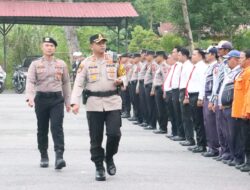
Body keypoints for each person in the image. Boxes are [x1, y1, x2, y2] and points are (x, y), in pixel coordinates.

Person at [71, 34, 126, 181]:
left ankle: (109, 157)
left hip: (113, 101)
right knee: (96, 138)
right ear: (91, 46)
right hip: (94, 104)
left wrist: (121, 80)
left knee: (115, 134)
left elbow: (125, 75)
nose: (102, 45)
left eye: (104, 42)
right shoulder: (86, 63)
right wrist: (74, 102)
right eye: (99, 43)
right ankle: (99, 167)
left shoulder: (114, 59)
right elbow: (78, 83)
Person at [25, 37, 71, 170]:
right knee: (42, 129)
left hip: (57, 99)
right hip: (41, 99)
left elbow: (66, 82)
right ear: (42, 47)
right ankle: (44, 155)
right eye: (47, 45)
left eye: (51, 45)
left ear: (55, 48)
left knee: (57, 127)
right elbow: (31, 81)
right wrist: (30, 97)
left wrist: (68, 102)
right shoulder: (35, 64)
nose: (49, 47)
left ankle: (59, 156)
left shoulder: (61, 64)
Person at [232, 50, 250, 172]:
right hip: (240, 111)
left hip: (246, 112)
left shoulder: (248, 73)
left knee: (247, 138)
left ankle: (248, 162)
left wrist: (246, 111)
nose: (239, 59)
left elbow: (248, 95)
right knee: (244, 138)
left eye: (242, 57)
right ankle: (247, 161)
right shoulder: (243, 72)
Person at [202, 47, 220, 157]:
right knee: (207, 123)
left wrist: (212, 100)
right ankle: (211, 147)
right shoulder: (209, 67)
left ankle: (214, 148)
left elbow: (215, 86)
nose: (206, 55)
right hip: (206, 96)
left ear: (213, 54)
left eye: (207, 53)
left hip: (211, 97)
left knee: (212, 124)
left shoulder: (216, 67)